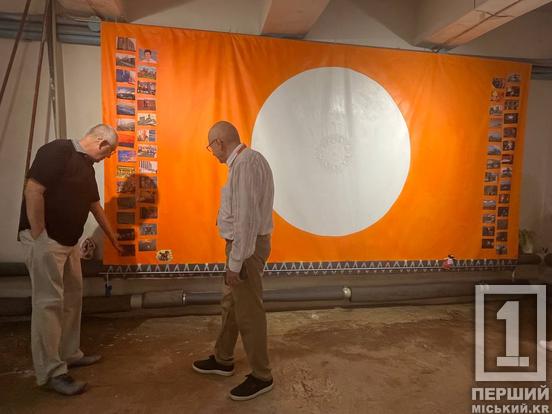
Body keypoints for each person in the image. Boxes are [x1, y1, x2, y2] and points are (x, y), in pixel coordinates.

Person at [18, 124, 123, 396]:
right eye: (110, 152)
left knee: (73, 297)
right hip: (47, 240)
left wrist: (112, 237)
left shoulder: (86, 167)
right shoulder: (58, 151)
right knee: (48, 303)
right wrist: (39, 236)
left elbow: (94, 205)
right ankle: (51, 372)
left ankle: (69, 353)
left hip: (68, 242)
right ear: (101, 143)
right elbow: (33, 190)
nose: (108, 157)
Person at [193, 121, 275, 401]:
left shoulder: (246, 165)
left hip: (245, 249)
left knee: (249, 312)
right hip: (243, 247)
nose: (212, 152)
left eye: (211, 146)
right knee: (231, 303)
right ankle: (223, 358)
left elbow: (246, 221)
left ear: (219, 142)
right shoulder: (245, 162)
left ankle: (262, 376)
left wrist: (236, 263)